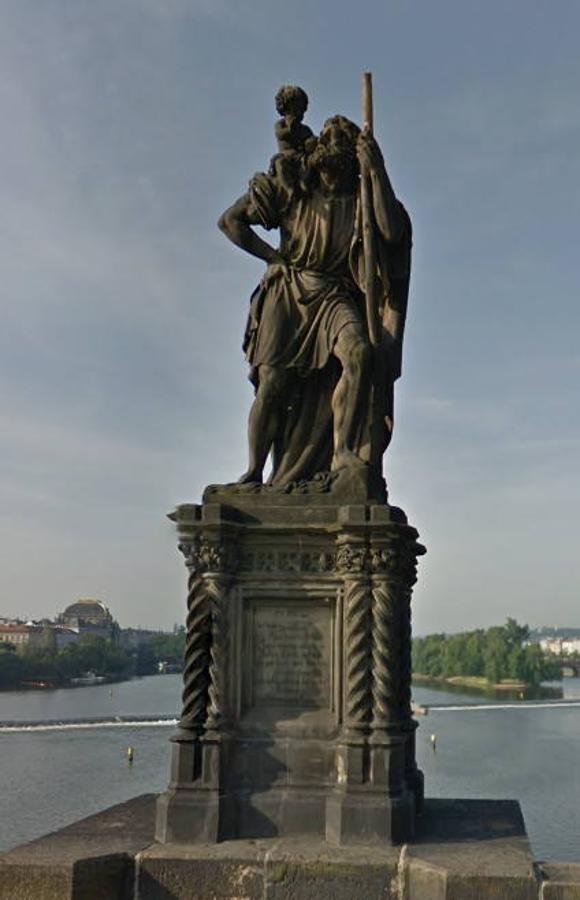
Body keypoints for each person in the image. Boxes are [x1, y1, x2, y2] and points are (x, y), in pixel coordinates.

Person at [219, 106, 411, 487]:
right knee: (272, 384)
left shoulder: (363, 199)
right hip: (288, 291)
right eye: (330, 137)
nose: (335, 144)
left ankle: (343, 454)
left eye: (345, 140)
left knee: (359, 353)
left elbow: (393, 232)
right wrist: (273, 259)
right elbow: (230, 221)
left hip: (333, 296)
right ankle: (255, 471)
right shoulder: (292, 189)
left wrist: (378, 170)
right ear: (318, 149)